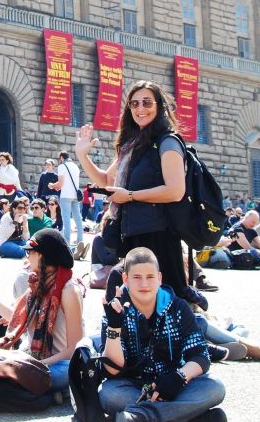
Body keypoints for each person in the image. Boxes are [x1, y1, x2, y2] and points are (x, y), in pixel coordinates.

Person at [75, 81, 205, 306]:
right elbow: (107, 180)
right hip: (135, 233)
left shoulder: (168, 142)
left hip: (160, 236)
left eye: (147, 102)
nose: (140, 108)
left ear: (160, 106)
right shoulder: (132, 145)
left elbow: (175, 191)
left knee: (170, 304)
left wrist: (131, 196)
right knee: (135, 300)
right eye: (134, 104)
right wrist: (82, 156)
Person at [98, 247, 226, 422]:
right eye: (137, 277)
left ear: (159, 278)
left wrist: (179, 377)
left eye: (150, 277)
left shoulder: (178, 307)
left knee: (214, 387)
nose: (144, 284)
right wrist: (114, 329)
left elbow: (201, 355)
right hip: (135, 388)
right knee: (108, 394)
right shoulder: (115, 309)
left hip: (175, 383)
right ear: (125, 279)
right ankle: (190, 419)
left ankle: (143, 419)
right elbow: (113, 369)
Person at [0, 228, 84, 394]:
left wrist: (38, 365)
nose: (26, 257)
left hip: (58, 362)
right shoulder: (38, 283)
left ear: (41, 255)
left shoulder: (69, 290)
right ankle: (34, 387)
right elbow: (17, 319)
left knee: (60, 372)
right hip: (32, 358)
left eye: (29, 252)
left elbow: (75, 349)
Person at [49, 151, 84, 246]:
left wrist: (52, 185)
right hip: (75, 196)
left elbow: (60, 183)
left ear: (61, 157)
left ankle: (66, 242)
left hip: (65, 196)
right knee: (78, 218)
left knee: (66, 219)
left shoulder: (62, 166)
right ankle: (80, 240)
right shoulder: (75, 166)